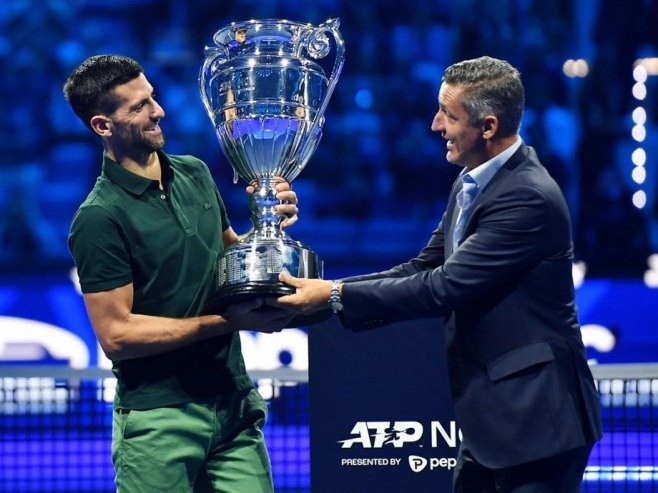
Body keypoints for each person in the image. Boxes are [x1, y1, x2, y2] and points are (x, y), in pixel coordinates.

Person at [275, 56, 602, 492]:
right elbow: (421, 267)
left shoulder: (526, 196)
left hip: (536, 422)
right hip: (492, 421)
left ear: (487, 127)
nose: (434, 125)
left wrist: (332, 295)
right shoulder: (473, 182)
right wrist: (332, 291)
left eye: (448, 115)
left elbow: (444, 287)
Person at [63, 54, 298, 493]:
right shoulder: (98, 218)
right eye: (138, 107)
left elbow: (230, 257)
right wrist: (229, 323)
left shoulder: (195, 172)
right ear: (102, 125)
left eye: (152, 97)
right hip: (159, 419)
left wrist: (268, 226)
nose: (158, 111)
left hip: (233, 403)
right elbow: (117, 336)